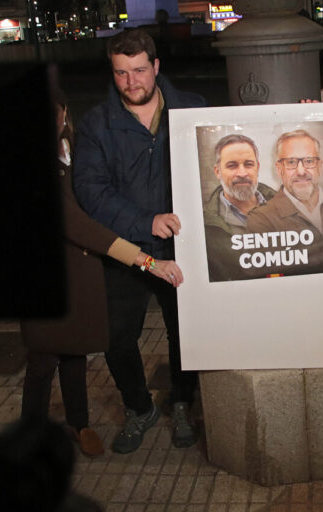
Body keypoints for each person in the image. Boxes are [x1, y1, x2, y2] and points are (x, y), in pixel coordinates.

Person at [21, 93, 182, 458]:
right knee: (43, 360)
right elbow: (80, 226)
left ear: (64, 113)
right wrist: (147, 261)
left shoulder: (77, 151)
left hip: (82, 274)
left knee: (75, 351)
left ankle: (79, 424)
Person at [72, 28, 206, 454]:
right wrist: (144, 222)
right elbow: (91, 192)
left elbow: (234, 143)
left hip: (180, 246)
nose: (131, 82)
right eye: (121, 73)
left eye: (139, 70)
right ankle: (139, 407)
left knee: (184, 332)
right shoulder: (97, 124)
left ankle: (182, 401)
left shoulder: (192, 109)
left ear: (156, 66)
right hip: (125, 252)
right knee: (116, 337)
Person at [247, 129, 323, 277]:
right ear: (279, 169)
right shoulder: (261, 219)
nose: (301, 171)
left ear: (320, 166)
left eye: (309, 161)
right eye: (291, 162)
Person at [203, 134, 276, 281]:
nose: (242, 173)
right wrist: (152, 264)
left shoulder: (288, 208)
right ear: (217, 171)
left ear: (257, 168)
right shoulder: (202, 221)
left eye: (248, 164)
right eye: (232, 165)